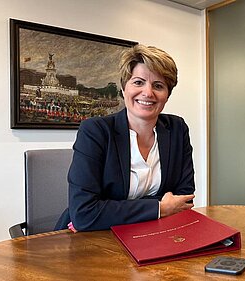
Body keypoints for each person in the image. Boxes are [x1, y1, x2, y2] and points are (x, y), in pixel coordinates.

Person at [55, 44, 195, 231]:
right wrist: (160, 207)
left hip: (152, 234)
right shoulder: (96, 131)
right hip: (92, 239)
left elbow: (183, 200)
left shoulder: (177, 129)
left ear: (167, 95)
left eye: (158, 85)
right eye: (138, 82)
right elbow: (84, 212)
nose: (147, 92)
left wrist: (110, 208)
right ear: (123, 88)